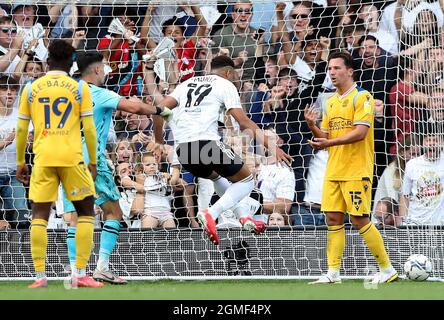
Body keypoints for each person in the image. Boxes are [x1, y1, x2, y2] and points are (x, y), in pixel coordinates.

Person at [154, 55, 292, 245]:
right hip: (207, 145)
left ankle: (244, 217)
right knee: (247, 180)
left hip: (184, 152)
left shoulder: (185, 84)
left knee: (217, 178)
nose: (236, 78)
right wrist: (272, 147)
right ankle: (211, 213)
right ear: (229, 72)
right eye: (235, 74)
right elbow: (244, 122)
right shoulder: (225, 84)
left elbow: (157, 110)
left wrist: (159, 141)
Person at [61, 51, 172, 284]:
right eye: (103, 66)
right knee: (113, 213)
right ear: (97, 70)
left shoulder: (65, 94)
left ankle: (75, 274)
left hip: (65, 159)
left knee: (75, 217)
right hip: (91, 159)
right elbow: (135, 108)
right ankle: (101, 267)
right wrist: (159, 110)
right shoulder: (98, 93)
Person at [15, 40, 103, 288]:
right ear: (72, 62)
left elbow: (21, 128)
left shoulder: (32, 88)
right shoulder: (79, 87)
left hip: (43, 158)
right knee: (86, 212)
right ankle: (80, 273)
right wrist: (93, 161)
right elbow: (89, 128)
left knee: (39, 216)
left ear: (47, 60)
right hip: (72, 158)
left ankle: (40, 276)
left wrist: (22, 160)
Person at [304, 51, 398, 284]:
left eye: (336, 68)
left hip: (356, 170)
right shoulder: (331, 101)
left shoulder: (362, 97)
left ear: (350, 71)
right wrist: (312, 126)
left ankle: (387, 269)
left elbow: (360, 133)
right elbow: (326, 136)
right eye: (329, 69)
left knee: (359, 220)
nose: (332, 72)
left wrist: (328, 141)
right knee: (333, 219)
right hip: (334, 169)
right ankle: (333, 273)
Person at [400, 126, 444, 225]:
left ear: (442, 143)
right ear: (423, 143)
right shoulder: (412, 164)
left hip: (440, 224)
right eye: (428, 140)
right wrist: (403, 223)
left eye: (435, 140)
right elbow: (405, 195)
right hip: (415, 222)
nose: (432, 143)